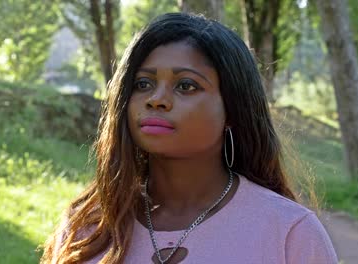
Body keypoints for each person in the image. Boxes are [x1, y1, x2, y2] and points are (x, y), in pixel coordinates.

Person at [41, 12, 338, 264]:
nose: (156, 99)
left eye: (186, 86)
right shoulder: (87, 228)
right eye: (143, 83)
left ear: (234, 108)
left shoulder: (290, 232)